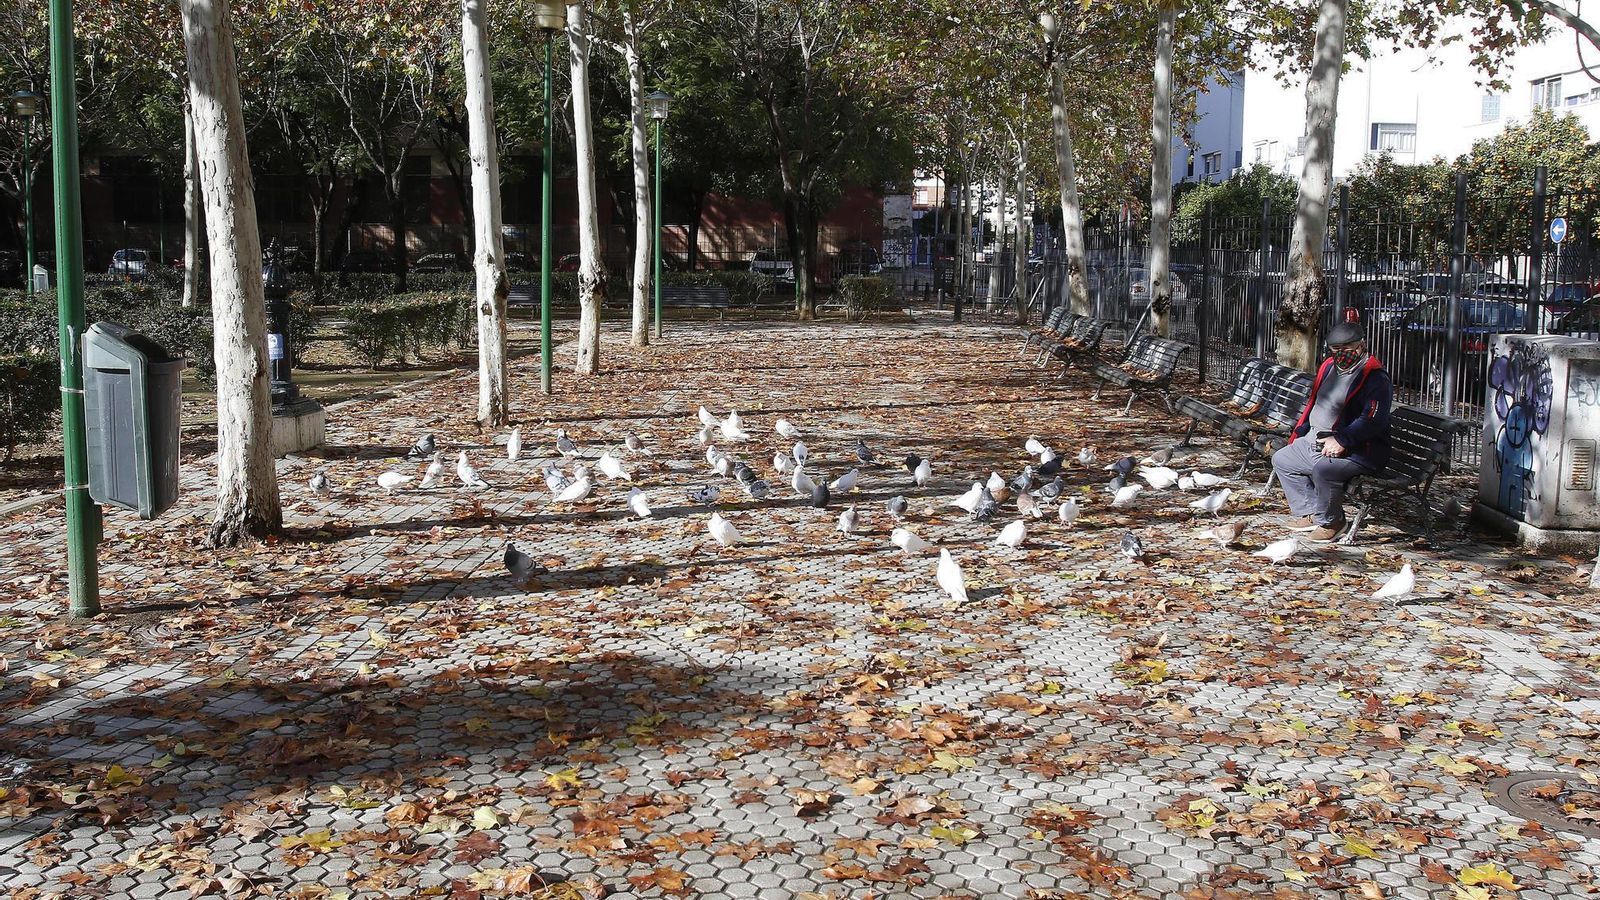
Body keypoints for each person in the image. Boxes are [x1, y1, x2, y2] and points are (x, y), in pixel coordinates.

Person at [1270, 319, 1393, 541]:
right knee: (1283, 459)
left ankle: (1333, 522)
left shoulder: (1376, 378)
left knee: (1325, 471)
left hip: (1359, 451)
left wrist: (1343, 440)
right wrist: (1301, 432)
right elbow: (1315, 402)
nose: (1341, 354)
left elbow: (1373, 419)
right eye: (1336, 349)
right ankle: (1309, 512)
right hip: (1316, 441)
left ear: (1361, 346)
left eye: (1347, 349)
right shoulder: (1328, 366)